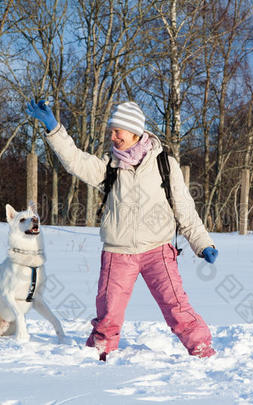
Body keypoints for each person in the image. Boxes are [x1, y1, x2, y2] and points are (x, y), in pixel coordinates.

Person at [26, 99, 219, 359]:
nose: (113, 136)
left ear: (135, 132)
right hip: (118, 252)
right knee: (109, 314)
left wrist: (202, 242)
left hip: (158, 251)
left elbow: (184, 207)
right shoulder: (110, 167)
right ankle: (100, 356)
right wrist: (53, 128)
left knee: (176, 306)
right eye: (111, 131)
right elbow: (74, 161)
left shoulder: (165, 164)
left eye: (118, 131)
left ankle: (202, 349)